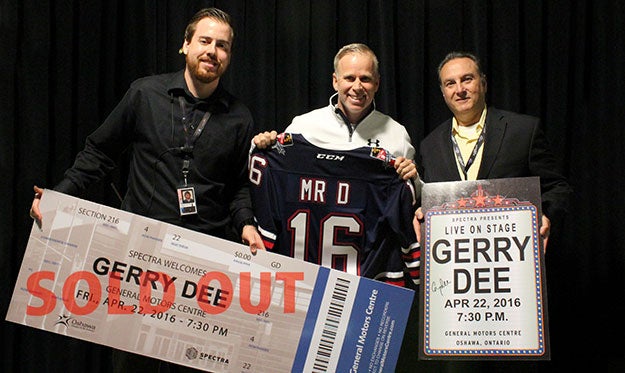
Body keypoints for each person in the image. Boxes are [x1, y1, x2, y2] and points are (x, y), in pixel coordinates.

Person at [29, 7, 264, 372]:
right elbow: (99, 153)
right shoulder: (145, 93)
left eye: (222, 46)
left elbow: (237, 186)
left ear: (229, 57)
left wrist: (247, 223)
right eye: (204, 41)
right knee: (131, 363)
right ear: (184, 45)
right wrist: (60, 195)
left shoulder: (240, 117)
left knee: (194, 362)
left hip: (205, 261)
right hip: (140, 255)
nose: (212, 51)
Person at [415, 51, 571, 251]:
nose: (460, 89)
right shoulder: (430, 145)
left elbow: (557, 187)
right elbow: (433, 199)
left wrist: (545, 214)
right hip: (457, 261)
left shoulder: (522, 131)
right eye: (450, 83)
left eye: (467, 79)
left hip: (512, 257)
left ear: (483, 83)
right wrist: (423, 211)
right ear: (443, 92)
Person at [252, 43, 418, 181]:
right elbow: (278, 175)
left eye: (365, 79)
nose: (357, 87)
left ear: (377, 83)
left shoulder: (397, 133)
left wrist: (414, 177)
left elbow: (413, 197)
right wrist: (261, 146)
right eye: (350, 78)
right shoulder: (303, 125)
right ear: (335, 81)